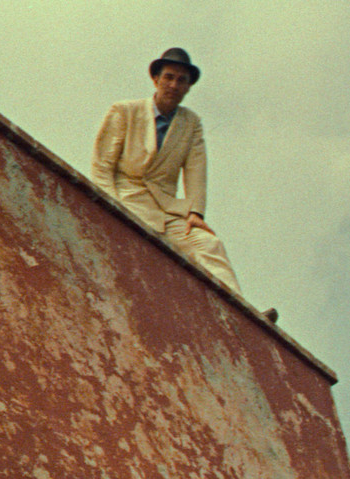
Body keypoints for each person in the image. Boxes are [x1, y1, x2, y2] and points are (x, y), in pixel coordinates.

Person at [93, 47, 269, 320]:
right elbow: (102, 166)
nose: (174, 85)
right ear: (155, 79)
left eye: (181, 80)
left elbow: (196, 169)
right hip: (128, 200)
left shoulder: (191, 122)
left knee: (208, 244)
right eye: (169, 77)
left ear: (188, 87)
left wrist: (196, 213)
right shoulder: (125, 111)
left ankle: (243, 316)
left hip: (167, 210)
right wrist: (109, 208)